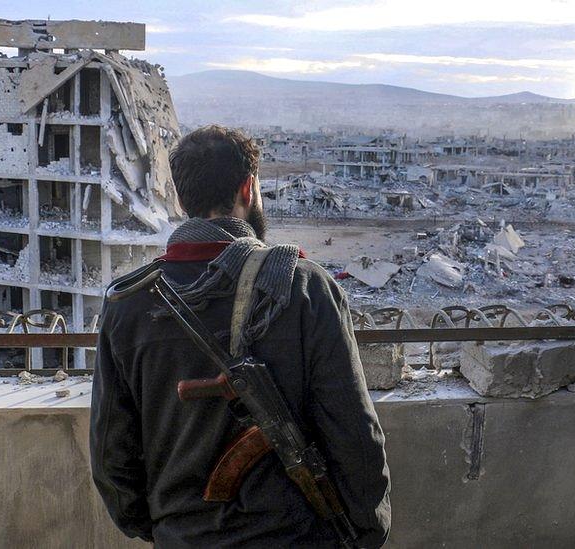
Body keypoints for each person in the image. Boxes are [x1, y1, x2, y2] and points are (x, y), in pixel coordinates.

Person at [90, 125, 391, 548]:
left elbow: (111, 455)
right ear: (248, 189)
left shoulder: (129, 302)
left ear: (179, 198)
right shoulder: (305, 288)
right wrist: (367, 530)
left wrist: (167, 528)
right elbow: (355, 434)